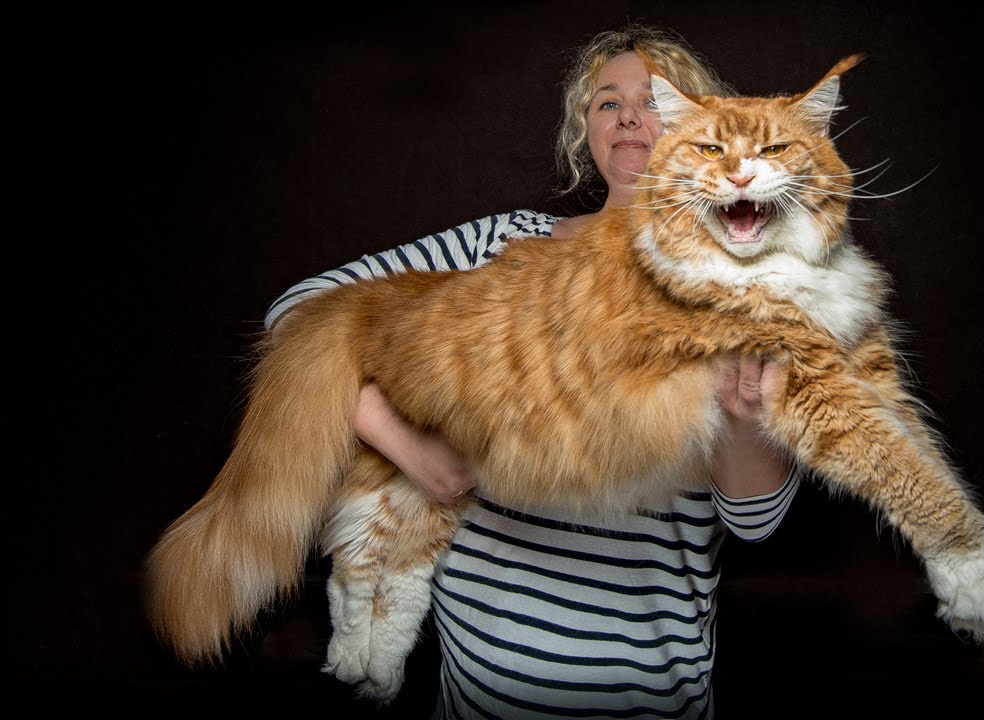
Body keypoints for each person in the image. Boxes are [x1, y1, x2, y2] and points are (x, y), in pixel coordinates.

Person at [265, 23, 800, 719]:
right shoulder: (500, 243)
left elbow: (756, 520)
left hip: (649, 687)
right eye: (608, 102)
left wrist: (744, 413)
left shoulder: (745, 277)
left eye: (656, 101)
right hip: (480, 686)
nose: (632, 116)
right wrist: (413, 451)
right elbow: (297, 312)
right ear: (587, 131)